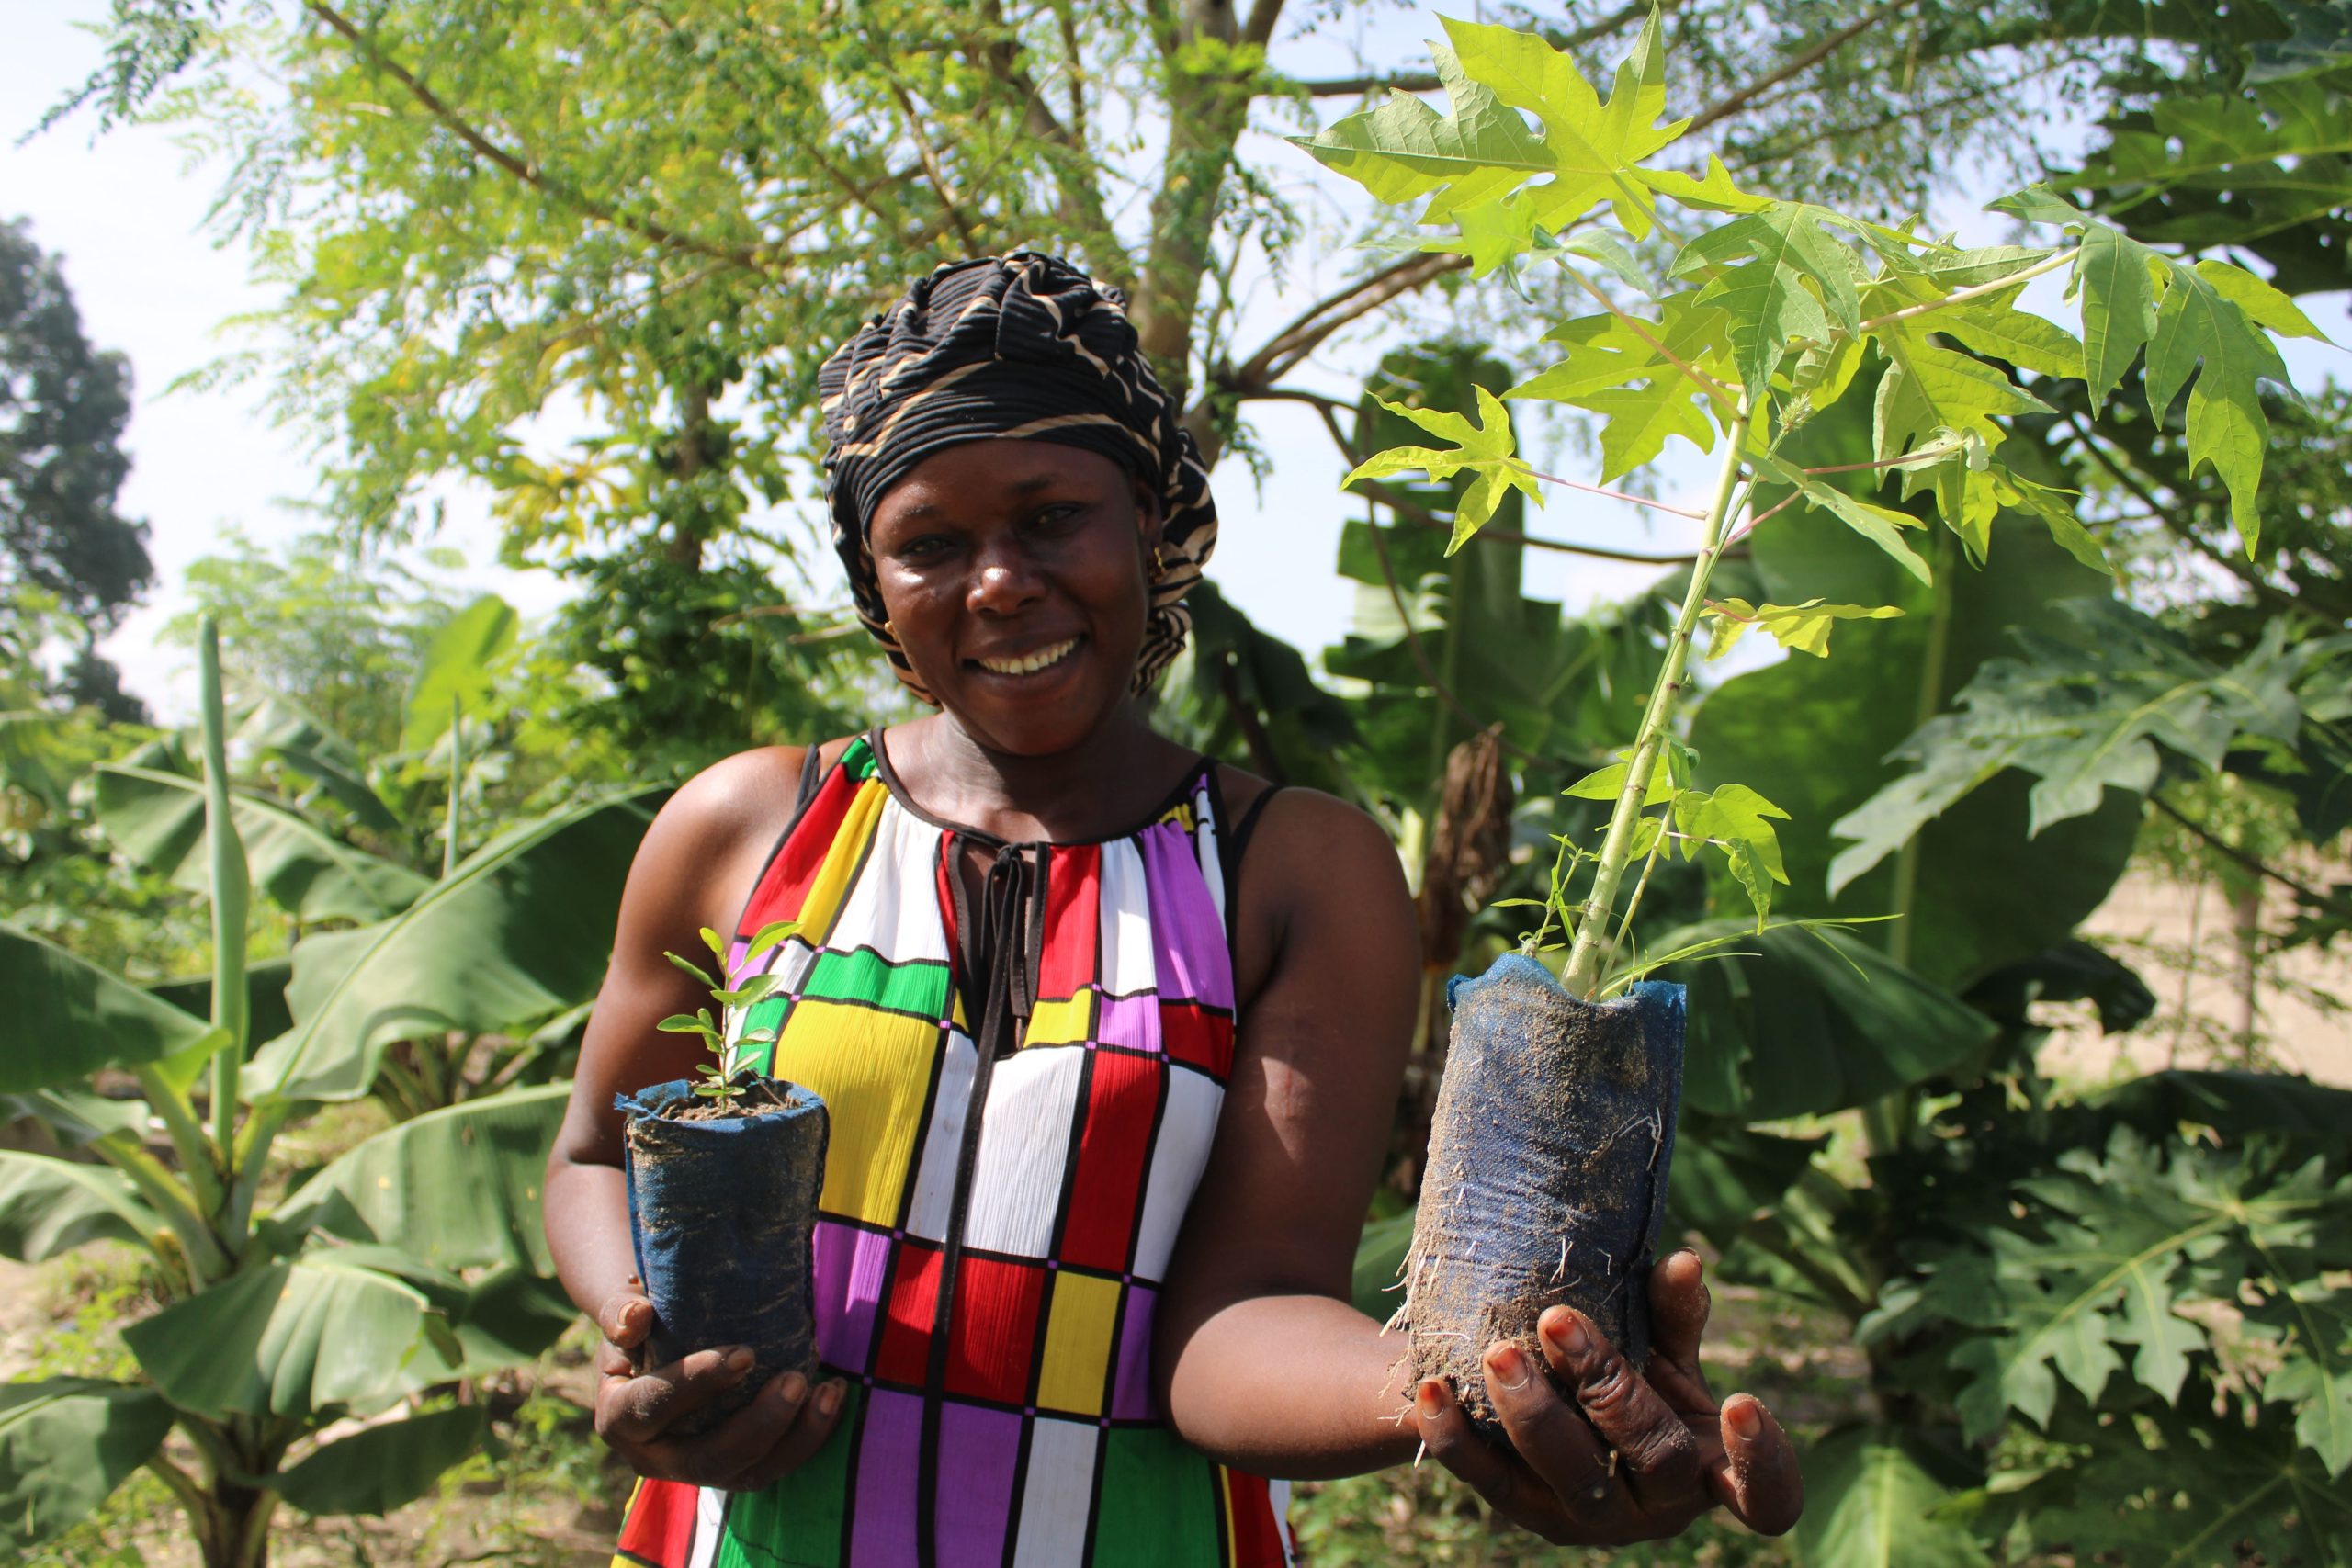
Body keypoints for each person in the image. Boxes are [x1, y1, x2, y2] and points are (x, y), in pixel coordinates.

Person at [544, 254, 1804, 1566]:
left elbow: (1240, 1316)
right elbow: (591, 1158)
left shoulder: (1286, 871)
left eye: (1050, 518)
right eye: (929, 542)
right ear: (873, 580)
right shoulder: (750, 828)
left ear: (1150, 524)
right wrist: (651, 1334)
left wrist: (1466, 1395)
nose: (997, 584)